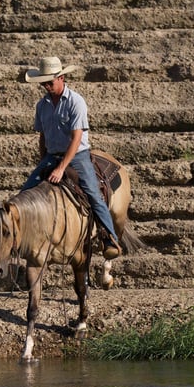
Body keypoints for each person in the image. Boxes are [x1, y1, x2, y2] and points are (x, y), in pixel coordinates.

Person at [21, 56, 122, 260]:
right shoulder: (42, 106)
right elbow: (42, 136)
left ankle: (110, 238)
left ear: (62, 78)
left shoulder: (76, 101)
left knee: (93, 194)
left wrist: (60, 169)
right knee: (25, 193)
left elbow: (76, 139)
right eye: (44, 82)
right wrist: (44, 162)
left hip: (77, 156)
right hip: (51, 155)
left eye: (50, 82)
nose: (47, 86)